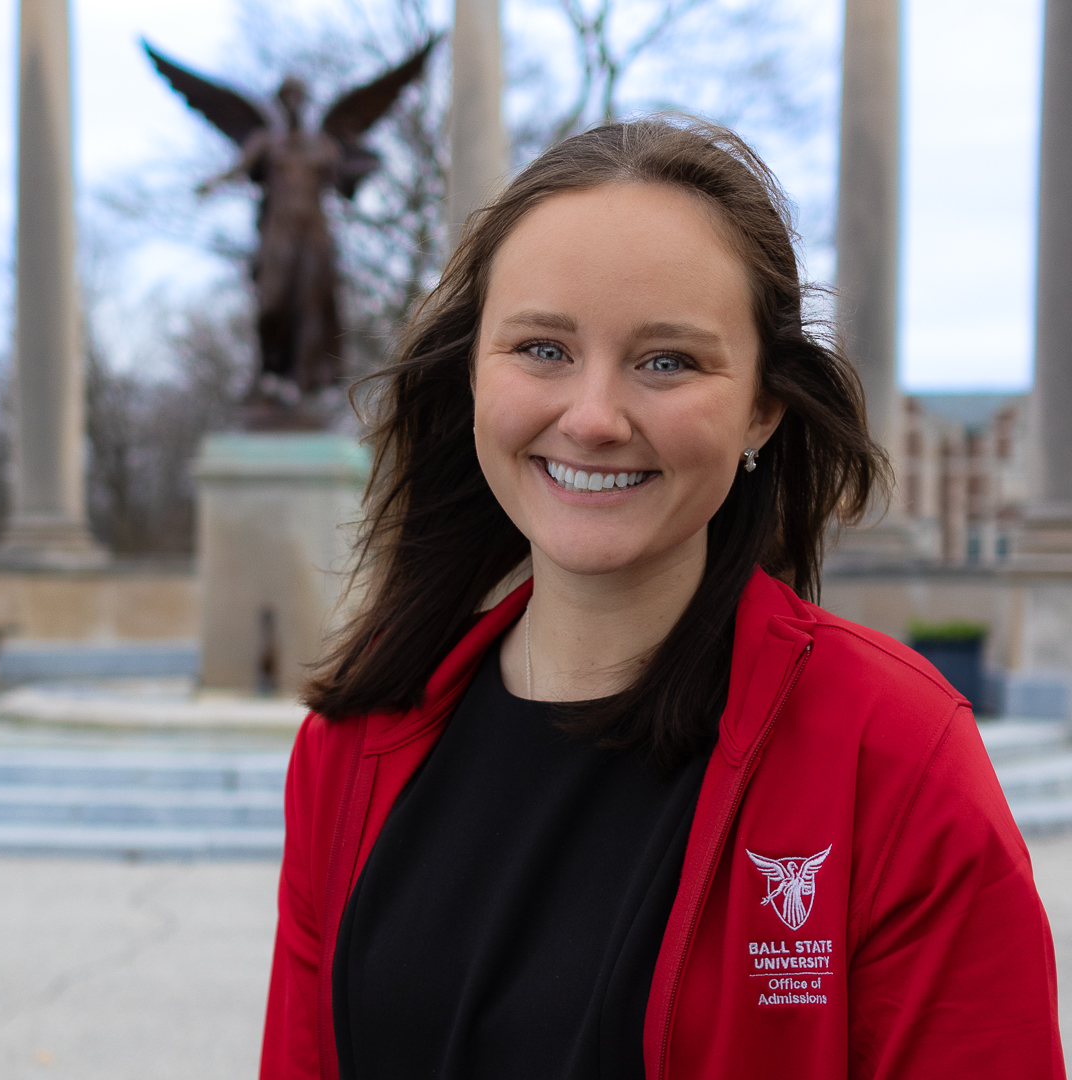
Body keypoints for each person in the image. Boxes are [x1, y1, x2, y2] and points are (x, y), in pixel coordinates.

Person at [260, 119, 1064, 1080]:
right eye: (542, 349)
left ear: (763, 405)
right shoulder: (350, 748)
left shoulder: (890, 750)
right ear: (474, 372)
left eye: (667, 361)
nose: (594, 418)